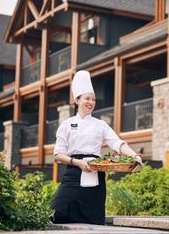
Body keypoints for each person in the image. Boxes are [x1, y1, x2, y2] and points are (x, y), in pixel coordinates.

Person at [51, 70, 142, 225]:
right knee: (58, 210)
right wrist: (78, 163)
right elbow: (58, 154)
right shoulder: (66, 125)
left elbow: (117, 143)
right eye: (87, 98)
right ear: (77, 100)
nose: (91, 102)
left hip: (96, 174)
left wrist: (136, 157)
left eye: (93, 99)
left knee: (93, 218)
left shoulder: (100, 125)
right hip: (73, 174)